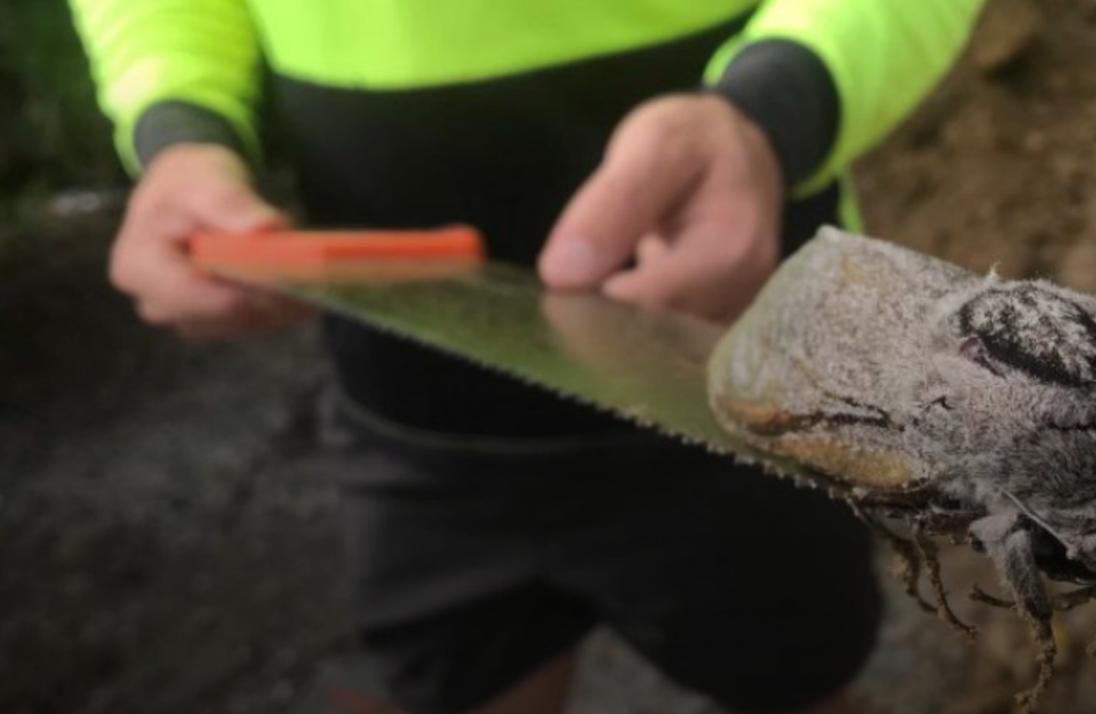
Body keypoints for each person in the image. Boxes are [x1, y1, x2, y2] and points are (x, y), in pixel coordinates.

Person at [70, 2, 986, 712]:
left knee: (802, 683)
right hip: (410, 404)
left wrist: (769, 112)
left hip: (739, 375)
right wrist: (178, 131)